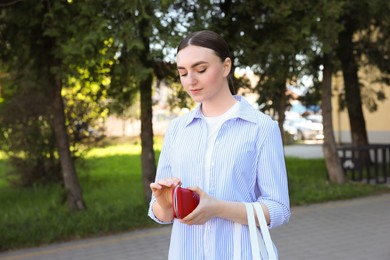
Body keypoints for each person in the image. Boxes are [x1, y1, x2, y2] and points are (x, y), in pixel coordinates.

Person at [148, 30, 290, 259]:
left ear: (226, 66)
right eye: (183, 73)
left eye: (201, 69)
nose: (190, 80)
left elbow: (279, 209)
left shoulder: (261, 127)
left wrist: (218, 208)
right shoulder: (177, 129)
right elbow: (160, 213)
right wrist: (165, 205)